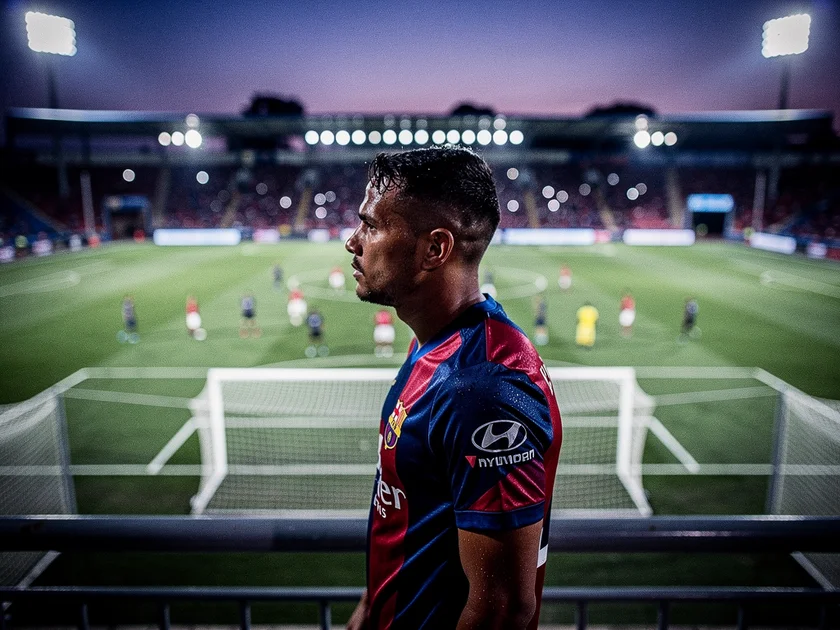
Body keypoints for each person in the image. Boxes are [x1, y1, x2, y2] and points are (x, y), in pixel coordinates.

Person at [344, 146, 562, 630]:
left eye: (372, 225)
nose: (352, 241)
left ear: (435, 248)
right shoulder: (436, 346)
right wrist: (369, 606)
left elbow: (502, 608)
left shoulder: (482, 391)